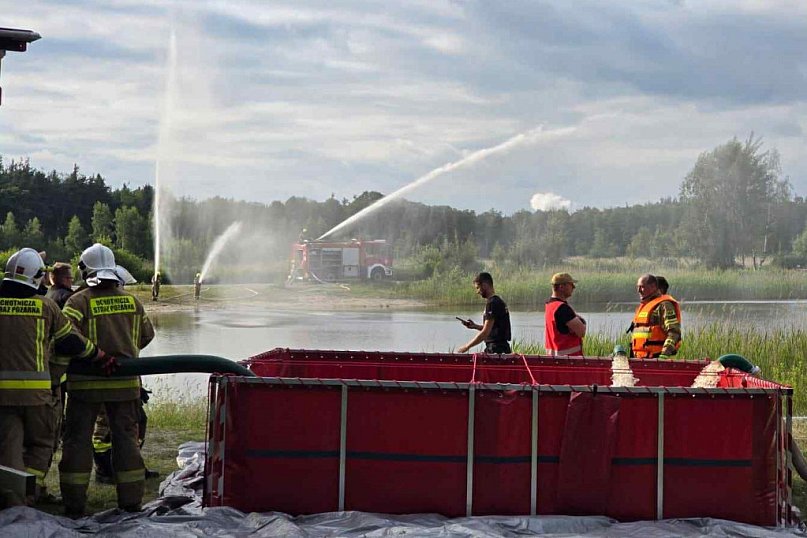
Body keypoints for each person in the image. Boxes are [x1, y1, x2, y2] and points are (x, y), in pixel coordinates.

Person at [0, 248, 103, 506]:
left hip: (1, 396)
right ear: (36, 277)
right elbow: (70, 342)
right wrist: (99, 355)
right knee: (41, 444)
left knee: (9, 446)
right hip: (37, 395)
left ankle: (11, 497)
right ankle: (29, 492)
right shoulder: (46, 307)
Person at [59, 244, 155, 518]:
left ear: (85, 269)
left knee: (77, 441)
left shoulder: (77, 302)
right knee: (126, 440)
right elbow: (147, 336)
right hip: (125, 384)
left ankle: (74, 504)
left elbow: (67, 339)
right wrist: (124, 350)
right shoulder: (132, 302)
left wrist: (95, 354)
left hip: (85, 384)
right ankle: (131, 502)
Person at [457, 272, 512, 354]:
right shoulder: (498, 301)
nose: (477, 292)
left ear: (485, 285)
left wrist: (466, 347)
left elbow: (485, 332)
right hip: (501, 348)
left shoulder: (492, 303)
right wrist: (475, 326)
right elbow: (493, 329)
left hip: (496, 350)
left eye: (478, 288)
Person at [631, 273, 681, 359]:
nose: (639, 290)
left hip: (656, 358)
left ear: (653, 287)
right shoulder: (644, 306)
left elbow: (674, 332)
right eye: (637, 287)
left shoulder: (664, 305)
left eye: (642, 287)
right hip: (639, 359)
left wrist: (664, 355)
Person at [544, 272, 586, 356]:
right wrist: (582, 321)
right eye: (571, 284)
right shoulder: (562, 308)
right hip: (569, 361)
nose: (574, 287)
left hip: (553, 359)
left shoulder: (550, 305)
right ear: (561, 287)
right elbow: (581, 331)